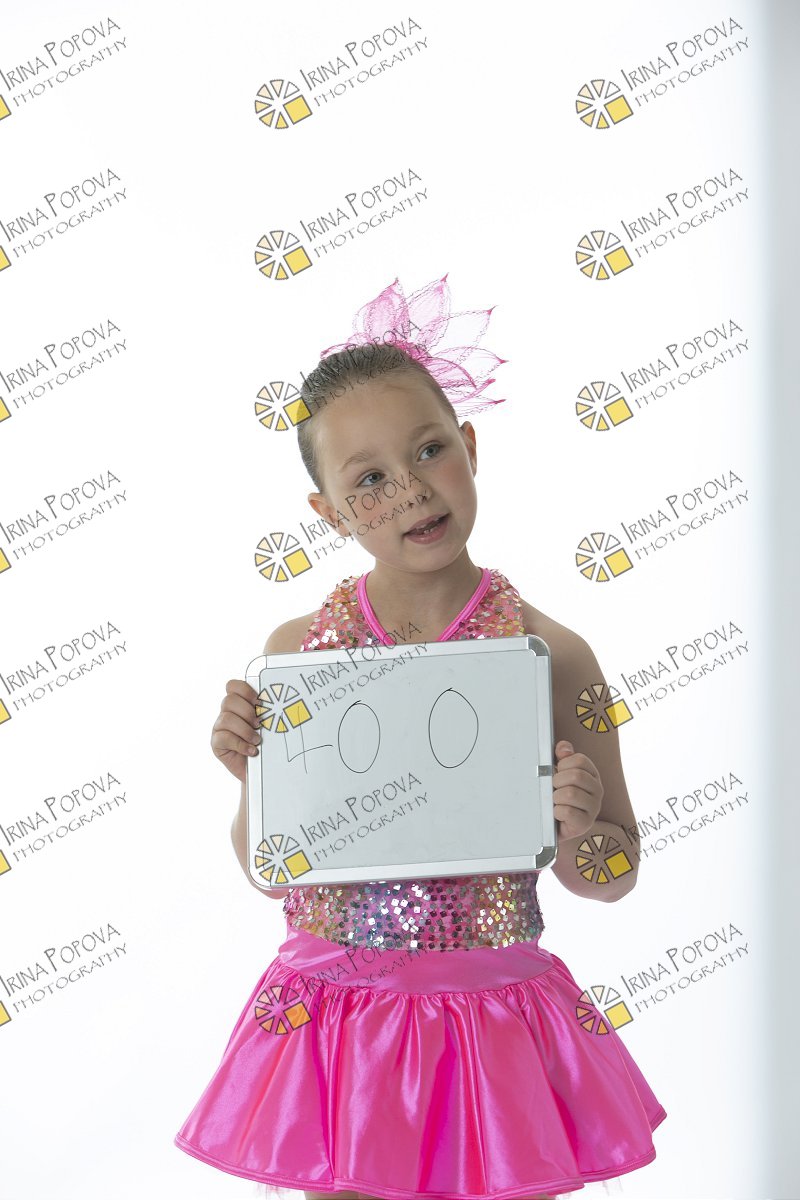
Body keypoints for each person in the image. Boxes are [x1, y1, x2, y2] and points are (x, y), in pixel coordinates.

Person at [173, 277, 667, 1200]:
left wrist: (581, 828)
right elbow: (273, 870)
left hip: (494, 1022)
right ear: (329, 513)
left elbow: (613, 873)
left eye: (430, 450)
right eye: (368, 480)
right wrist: (251, 779)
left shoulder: (557, 656)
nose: (409, 490)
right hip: (340, 1022)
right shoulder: (298, 656)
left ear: (469, 448)